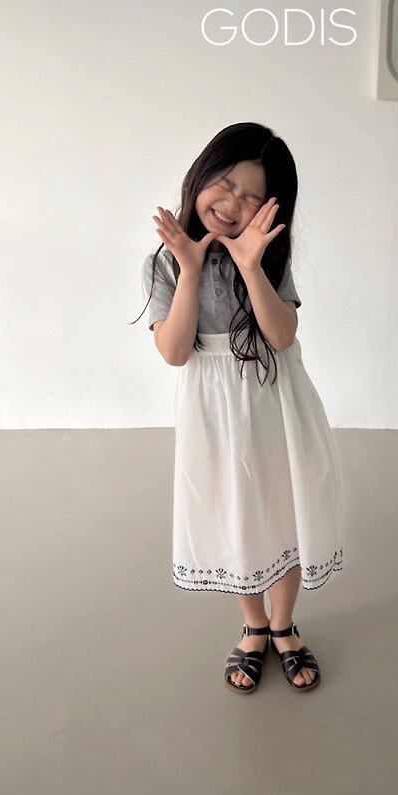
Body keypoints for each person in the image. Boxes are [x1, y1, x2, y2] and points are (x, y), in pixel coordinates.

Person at [138, 122, 344, 694]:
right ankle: (253, 625)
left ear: (272, 205)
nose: (232, 204)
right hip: (213, 410)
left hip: (274, 399)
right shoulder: (165, 263)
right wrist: (190, 270)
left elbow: (281, 335)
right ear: (200, 177)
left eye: (252, 195)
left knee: (283, 507)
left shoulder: (268, 256)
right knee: (236, 511)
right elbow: (175, 351)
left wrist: (252, 267)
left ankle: (284, 625)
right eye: (226, 184)